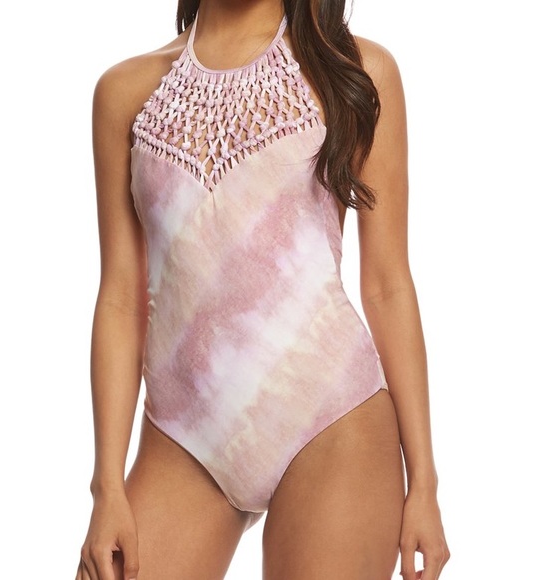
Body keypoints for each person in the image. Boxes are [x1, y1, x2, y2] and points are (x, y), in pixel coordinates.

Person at [76, 0, 450, 578]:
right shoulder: (125, 92)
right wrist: (107, 486)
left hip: (333, 419)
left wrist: (424, 481)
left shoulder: (353, 70)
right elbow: (121, 299)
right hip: (183, 436)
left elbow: (387, 286)